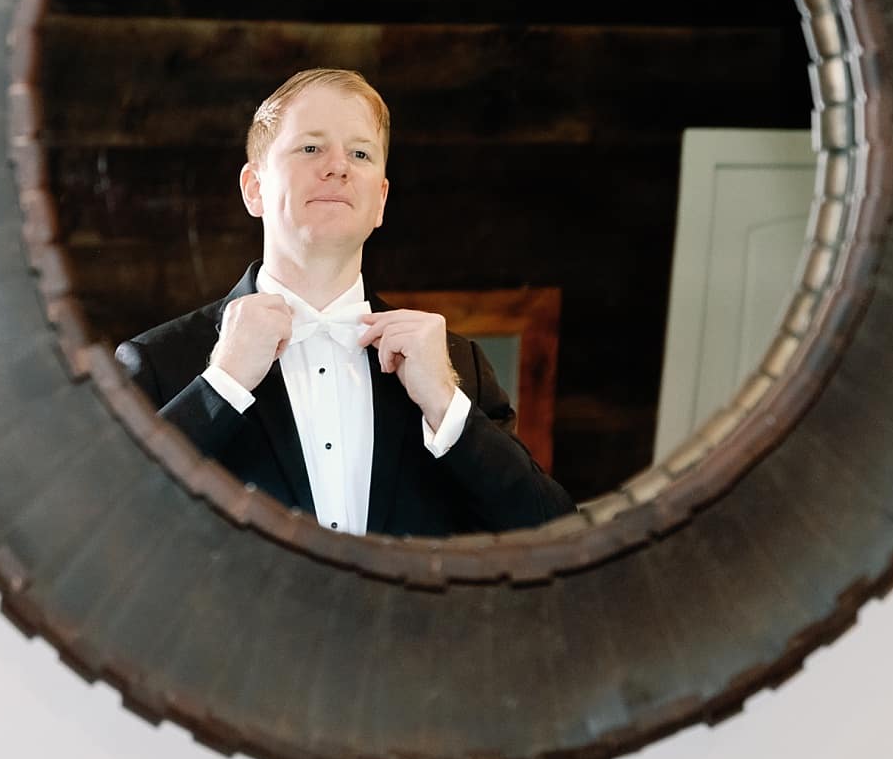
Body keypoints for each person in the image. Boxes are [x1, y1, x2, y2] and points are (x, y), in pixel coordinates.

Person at [115, 68, 577, 537]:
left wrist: (444, 404)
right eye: (311, 148)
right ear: (255, 187)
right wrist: (221, 387)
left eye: (359, 153)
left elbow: (554, 535)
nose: (337, 166)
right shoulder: (159, 362)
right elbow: (104, 533)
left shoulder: (459, 368)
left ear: (380, 201)